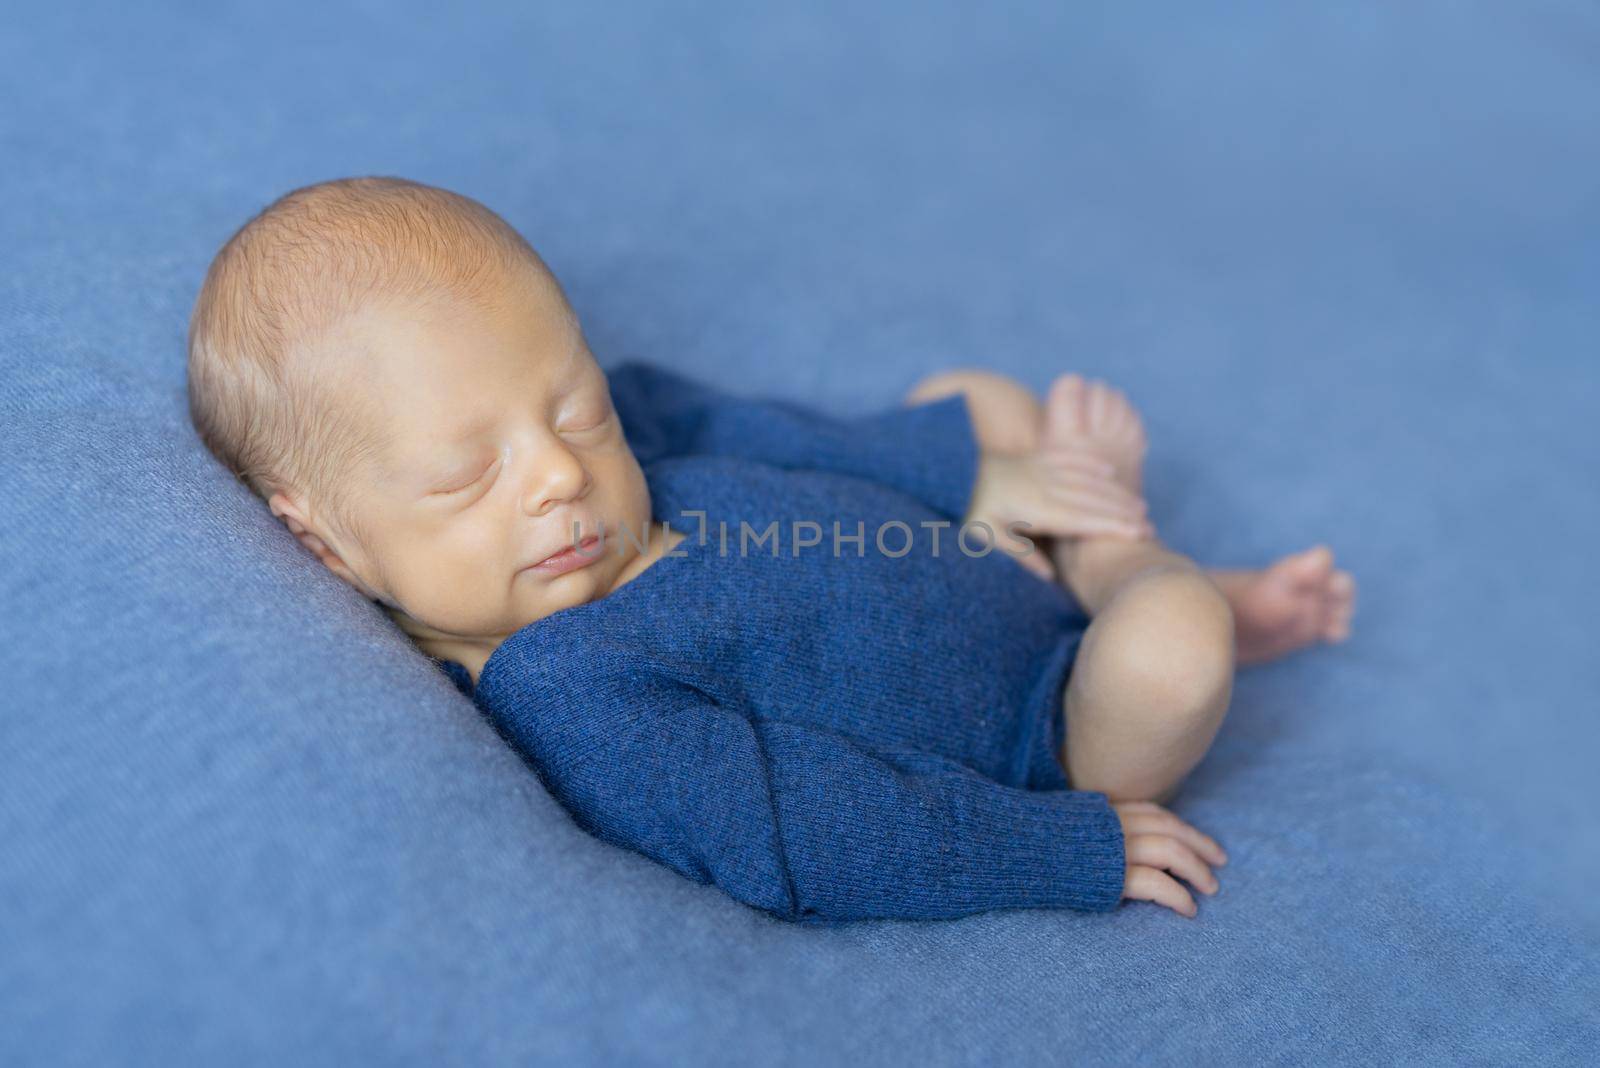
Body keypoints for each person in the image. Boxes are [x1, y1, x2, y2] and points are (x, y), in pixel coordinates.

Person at [185, 177, 1356, 923]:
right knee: (1171, 649)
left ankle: (1074, 534)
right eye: (465, 475)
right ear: (325, 543)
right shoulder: (580, 697)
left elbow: (774, 434)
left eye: (576, 407)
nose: (557, 471)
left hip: (972, 550)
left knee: (977, 399)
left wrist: (975, 473)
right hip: (1043, 721)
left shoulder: (603, 450)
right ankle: (1133, 562)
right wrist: (1055, 846)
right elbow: (813, 833)